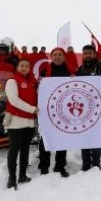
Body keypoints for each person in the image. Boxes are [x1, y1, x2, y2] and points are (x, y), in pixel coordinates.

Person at [4, 59, 38, 190]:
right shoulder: (12, 81)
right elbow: (13, 100)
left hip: (29, 121)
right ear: (17, 67)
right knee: (14, 149)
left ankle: (22, 175)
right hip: (16, 121)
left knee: (25, 149)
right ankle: (12, 178)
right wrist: (32, 109)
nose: (24, 68)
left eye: (27, 66)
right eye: (22, 66)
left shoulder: (31, 82)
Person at [37, 47, 71, 177]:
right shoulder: (46, 70)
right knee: (45, 140)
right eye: (55, 54)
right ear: (51, 56)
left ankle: (60, 166)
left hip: (65, 111)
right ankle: (44, 167)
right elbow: (38, 88)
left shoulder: (70, 70)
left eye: (60, 54)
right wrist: (39, 82)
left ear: (64, 56)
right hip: (48, 111)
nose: (57, 57)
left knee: (62, 139)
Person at [76, 44, 101, 171]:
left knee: (96, 136)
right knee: (84, 135)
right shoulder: (80, 69)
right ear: (83, 55)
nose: (88, 55)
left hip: (98, 108)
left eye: (90, 53)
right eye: (85, 53)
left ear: (94, 54)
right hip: (84, 109)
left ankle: (96, 162)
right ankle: (85, 163)